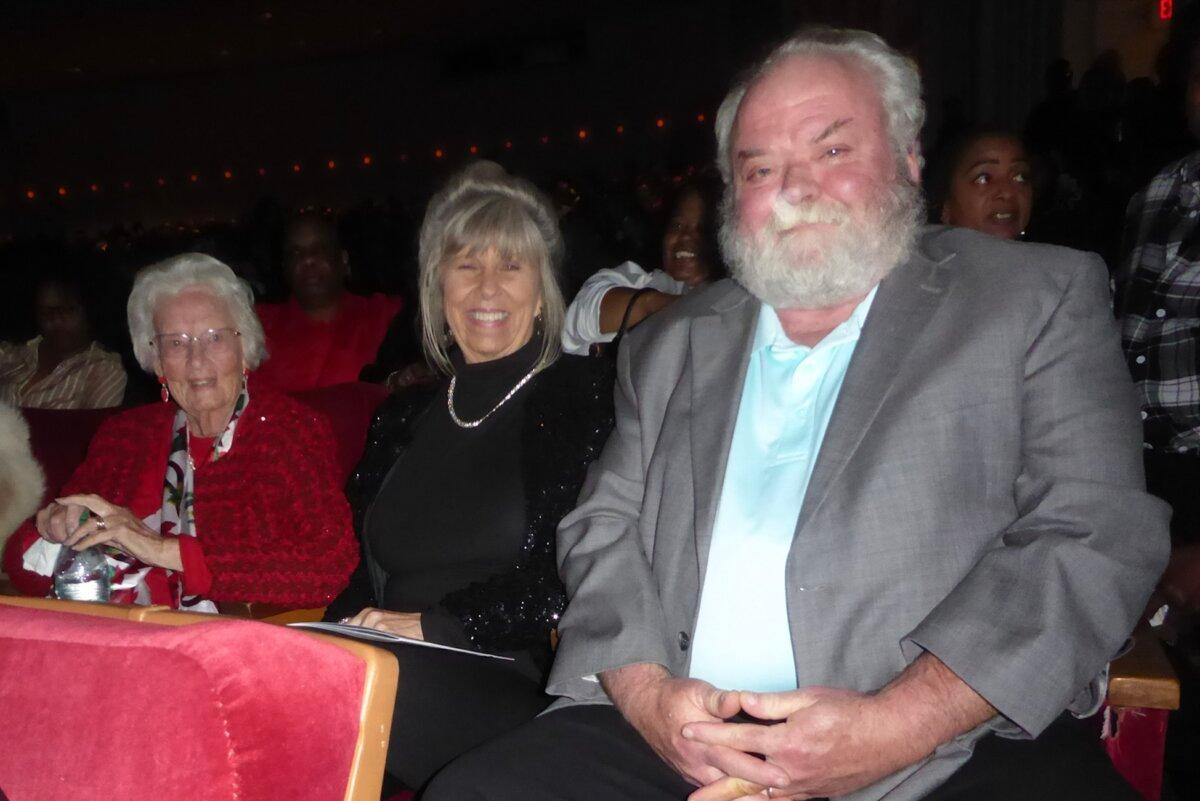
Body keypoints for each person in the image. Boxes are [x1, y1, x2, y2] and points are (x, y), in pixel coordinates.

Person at [426, 27, 1168, 801]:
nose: (794, 187)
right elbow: (601, 529)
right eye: (760, 167)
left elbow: (1093, 528)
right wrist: (650, 701)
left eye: (832, 151)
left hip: (952, 741)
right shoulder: (671, 342)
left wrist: (901, 721)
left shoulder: (1033, 297)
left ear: (909, 159)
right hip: (686, 736)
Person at [322, 161, 614, 791]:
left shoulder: (582, 400)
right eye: (466, 265)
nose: (487, 288)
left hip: (505, 671)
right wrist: (333, 629)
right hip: (384, 659)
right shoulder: (402, 416)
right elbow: (361, 569)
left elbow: (583, 570)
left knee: (352, 687)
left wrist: (438, 626)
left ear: (542, 291)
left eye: (511, 266)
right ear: (438, 288)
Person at [2, 254, 359, 611]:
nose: (197, 360)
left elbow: (331, 564)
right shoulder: (125, 436)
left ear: (244, 347)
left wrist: (163, 550)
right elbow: (23, 568)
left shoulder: (288, 432)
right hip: (119, 635)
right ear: (155, 359)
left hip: (228, 647)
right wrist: (51, 529)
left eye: (214, 338)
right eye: (176, 343)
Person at [562, 175, 722, 355]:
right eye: (677, 226)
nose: (685, 236)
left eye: (701, 229)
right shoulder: (657, 285)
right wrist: (654, 305)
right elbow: (576, 319)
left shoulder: (743, 306)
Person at [252, 213, 402, 393]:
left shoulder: (385, 315)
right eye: (296, 253)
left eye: (319, 249)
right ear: (284, 268)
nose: (308, 260)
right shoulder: (257, 326)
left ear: (343, 259)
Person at [0, 273, 126, 409]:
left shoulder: (104, 371)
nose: (56, 321)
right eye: (46, 313)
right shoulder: (13, 352)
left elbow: (101, 427)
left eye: (68, 310)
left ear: (90, 310)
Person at [929, 129, 1033, 241]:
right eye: (984, 179)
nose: (1007, 193)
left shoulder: (1049, 257)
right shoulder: (913, 257)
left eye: (1019, 177)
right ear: (946, 207)